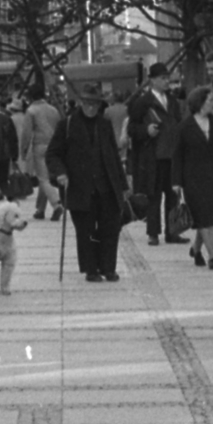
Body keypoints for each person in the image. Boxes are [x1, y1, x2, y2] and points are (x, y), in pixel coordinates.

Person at [46, 83, 129, 282]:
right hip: (79, 188)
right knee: (86, 231)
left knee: (110, 229)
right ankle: (91, 269)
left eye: (95, 104)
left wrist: (123, 184)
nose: (91, 107)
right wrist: (61, 173)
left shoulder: (104, 124)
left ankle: (109, 268)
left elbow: (113, 156)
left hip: (106, 186)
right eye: (87, 103)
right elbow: (52, 154)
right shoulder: (66, 125)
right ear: (81, 103)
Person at [171, 86, 213, 271]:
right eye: (210, 100)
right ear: (199, 102)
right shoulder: (184, 127)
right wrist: (176, 182)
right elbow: (177, 155)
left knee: (208, 218)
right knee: (204, 217)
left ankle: (196, 249)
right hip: (194, 179)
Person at [128, 63, 186, 246]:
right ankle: (153, 233)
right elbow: (131, 128)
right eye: (162, 78)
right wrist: (146, 130)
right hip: (153, 156)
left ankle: (172, 232)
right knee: (153, 196)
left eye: (167, 77)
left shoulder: (173, 100)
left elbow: (179, 122)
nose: (166, 81)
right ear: (152, 80)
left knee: (173, 195)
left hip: (172, 154)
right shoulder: (142, 102)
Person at [25, 86, 64, 221]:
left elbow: (27, 133)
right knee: (45, 177)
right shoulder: (53, 110)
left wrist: (23, 149)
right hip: (54, 146)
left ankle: (56, 204)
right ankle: (40, 209)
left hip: (40, 146)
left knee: (43, 178)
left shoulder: (31, 111)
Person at [0, 188, 29, 295]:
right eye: (16, 217)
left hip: (8, 241)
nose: (22, 221)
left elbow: (9, 265)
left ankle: (5, 286)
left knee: (9, 263)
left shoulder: (10, 237)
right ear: (3, 217)